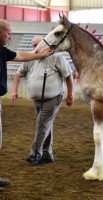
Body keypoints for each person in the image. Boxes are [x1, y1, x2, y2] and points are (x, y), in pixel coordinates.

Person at [0, 19, 52, 191]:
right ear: (1, 33)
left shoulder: (2, 50)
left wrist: (40, 55)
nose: (10, 36)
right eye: (9, 32)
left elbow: (20, 55)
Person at [11, 36, 74, 166]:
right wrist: (14, 90)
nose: (35, 48)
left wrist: (70, 94)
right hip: (37, 99)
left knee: (41, 124)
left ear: (44, 44)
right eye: (33, 45)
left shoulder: (57, 57)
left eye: (37, 45)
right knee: (45, 125)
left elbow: (68, 75)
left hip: (54, 97)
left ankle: (35, 154)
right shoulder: (30, 58)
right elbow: (19, 73)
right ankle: (47, 154)